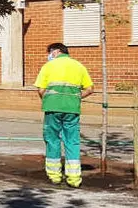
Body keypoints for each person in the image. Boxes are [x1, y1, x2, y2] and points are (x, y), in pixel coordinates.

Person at [34, 42, 94, 188]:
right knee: (72, 141)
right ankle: (74, 178)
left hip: (52, 108)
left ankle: (54, 176)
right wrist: (74, 97)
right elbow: (90, 89)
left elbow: (41, 90)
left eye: (49, 53)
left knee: (52, 139)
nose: (49, 56)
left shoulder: (48, 66)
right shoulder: (79, 66)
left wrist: (50, 99)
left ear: (55, 52)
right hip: (72, 109)